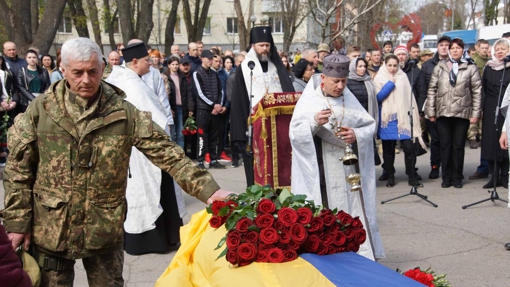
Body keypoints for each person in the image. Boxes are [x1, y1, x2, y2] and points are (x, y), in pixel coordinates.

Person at [2, 37, 231, 286]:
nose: (86, 80)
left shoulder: (123, 112)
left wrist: (209, 190)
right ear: (63, 69)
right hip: (51, 228)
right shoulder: (40, 112)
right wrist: (17, 222)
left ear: (103, 68)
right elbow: (18, 171)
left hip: (103, 228)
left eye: (92, 71)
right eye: (77, 73)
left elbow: (167, 153)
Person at [290, 54, 384, 261]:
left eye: (344, 81)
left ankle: (355, 254)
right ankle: (327, 257)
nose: (341, 86)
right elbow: (295, 134)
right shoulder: (310, 100)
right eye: (336, 82)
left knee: (351, 211)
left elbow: (368, 125)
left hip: (348, 172)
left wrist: (356, 135)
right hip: (322, 171)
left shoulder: (348, 98)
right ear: (323, 78)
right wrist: (314, 122)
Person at [230, 26, 295, 186]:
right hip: (255, 128)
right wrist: (241, 131)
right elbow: (239, 101)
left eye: (267, 45)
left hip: (279, 128)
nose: (265, 49)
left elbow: (288, 91)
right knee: (258, 167)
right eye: (261, 46)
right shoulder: (245, 68)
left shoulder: (278, 67)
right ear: (253, 46)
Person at [425, 38, 482, 188]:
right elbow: (432, 89)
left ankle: (457, 177)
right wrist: (431, 111)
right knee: (445, 145)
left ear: (463, 50)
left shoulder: (471, 67)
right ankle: (446, 177)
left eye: (458, 48)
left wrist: (476, 113)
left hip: (462, 113)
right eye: (452, 48)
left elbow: (477, 92)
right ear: (449, 50)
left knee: (458, 146)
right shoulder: (440, 66)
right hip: (443, 113)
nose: (455, 50)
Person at [374, 55, 425, 187]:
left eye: (395, 66)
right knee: (388, 150)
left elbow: (409, 97)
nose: (392, 68)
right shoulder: (380, 77)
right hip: (387, 119)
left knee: (409, 148)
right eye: (389, 65)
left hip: (403, 118)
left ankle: (411, 176)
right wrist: (390, 83)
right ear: (385, 65)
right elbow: (378, 98)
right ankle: (390, 176)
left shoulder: (402, 76)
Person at [480, 38, 510, 188]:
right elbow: (483, 89)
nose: (499, 52)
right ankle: (493, 177)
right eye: (497, 49)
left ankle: (504, 176)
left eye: (503, 49)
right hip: (491, 106)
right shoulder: (489, 67)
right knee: (491, 141)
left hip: (507, 107)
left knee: (505, 143)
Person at [422, 35, 451, 180]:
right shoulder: (428, 65)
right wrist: (423, 109)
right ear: (437, 47)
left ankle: (449, 168)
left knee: (448, 140)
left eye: (447, 45)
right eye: (442, 45)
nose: (444, 47)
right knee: (435, 140)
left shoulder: (456, 63)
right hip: (432, 106)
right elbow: (422, 88)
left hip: (450, 107)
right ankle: (435, 167)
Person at [192, 50, 226, 169]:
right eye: (209, 59)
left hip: (215, 110)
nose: (211, 61)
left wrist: (219, 105)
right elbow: (199, 93)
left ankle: (213, 159)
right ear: (202, 59)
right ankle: (200, 161)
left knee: (214, 136)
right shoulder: (197, 73)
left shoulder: (214, 73)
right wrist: (213, 105)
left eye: (212, 59)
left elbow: (221, 90)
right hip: (203, 110)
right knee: (202, 136)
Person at [347, 57, 380, 166]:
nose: (363, 69)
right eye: (359, 66)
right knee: (356, 150)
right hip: (355, 121)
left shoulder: (368, 81)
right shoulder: (348, 81)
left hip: (368, 118)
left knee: (368, 150)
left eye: (364, 66)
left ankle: (369, 177)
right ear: (353, 67)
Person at [468, 39, 491, 150]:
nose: (484, 50)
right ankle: (472, 137)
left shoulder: (489, 61)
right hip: (474, 90)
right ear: (477, 48)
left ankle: (482, 137)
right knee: (474, 115)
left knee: (483, 115)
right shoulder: (473, 61)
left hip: (485, 90)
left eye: (486, 48)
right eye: (482, 48)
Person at [226, 53, 245, 168]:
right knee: (235, 135)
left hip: (247, 109)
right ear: (237, 63)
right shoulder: (232, 77)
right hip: (236, 109)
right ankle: (235, 158)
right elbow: (229, 95)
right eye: (241, 62)